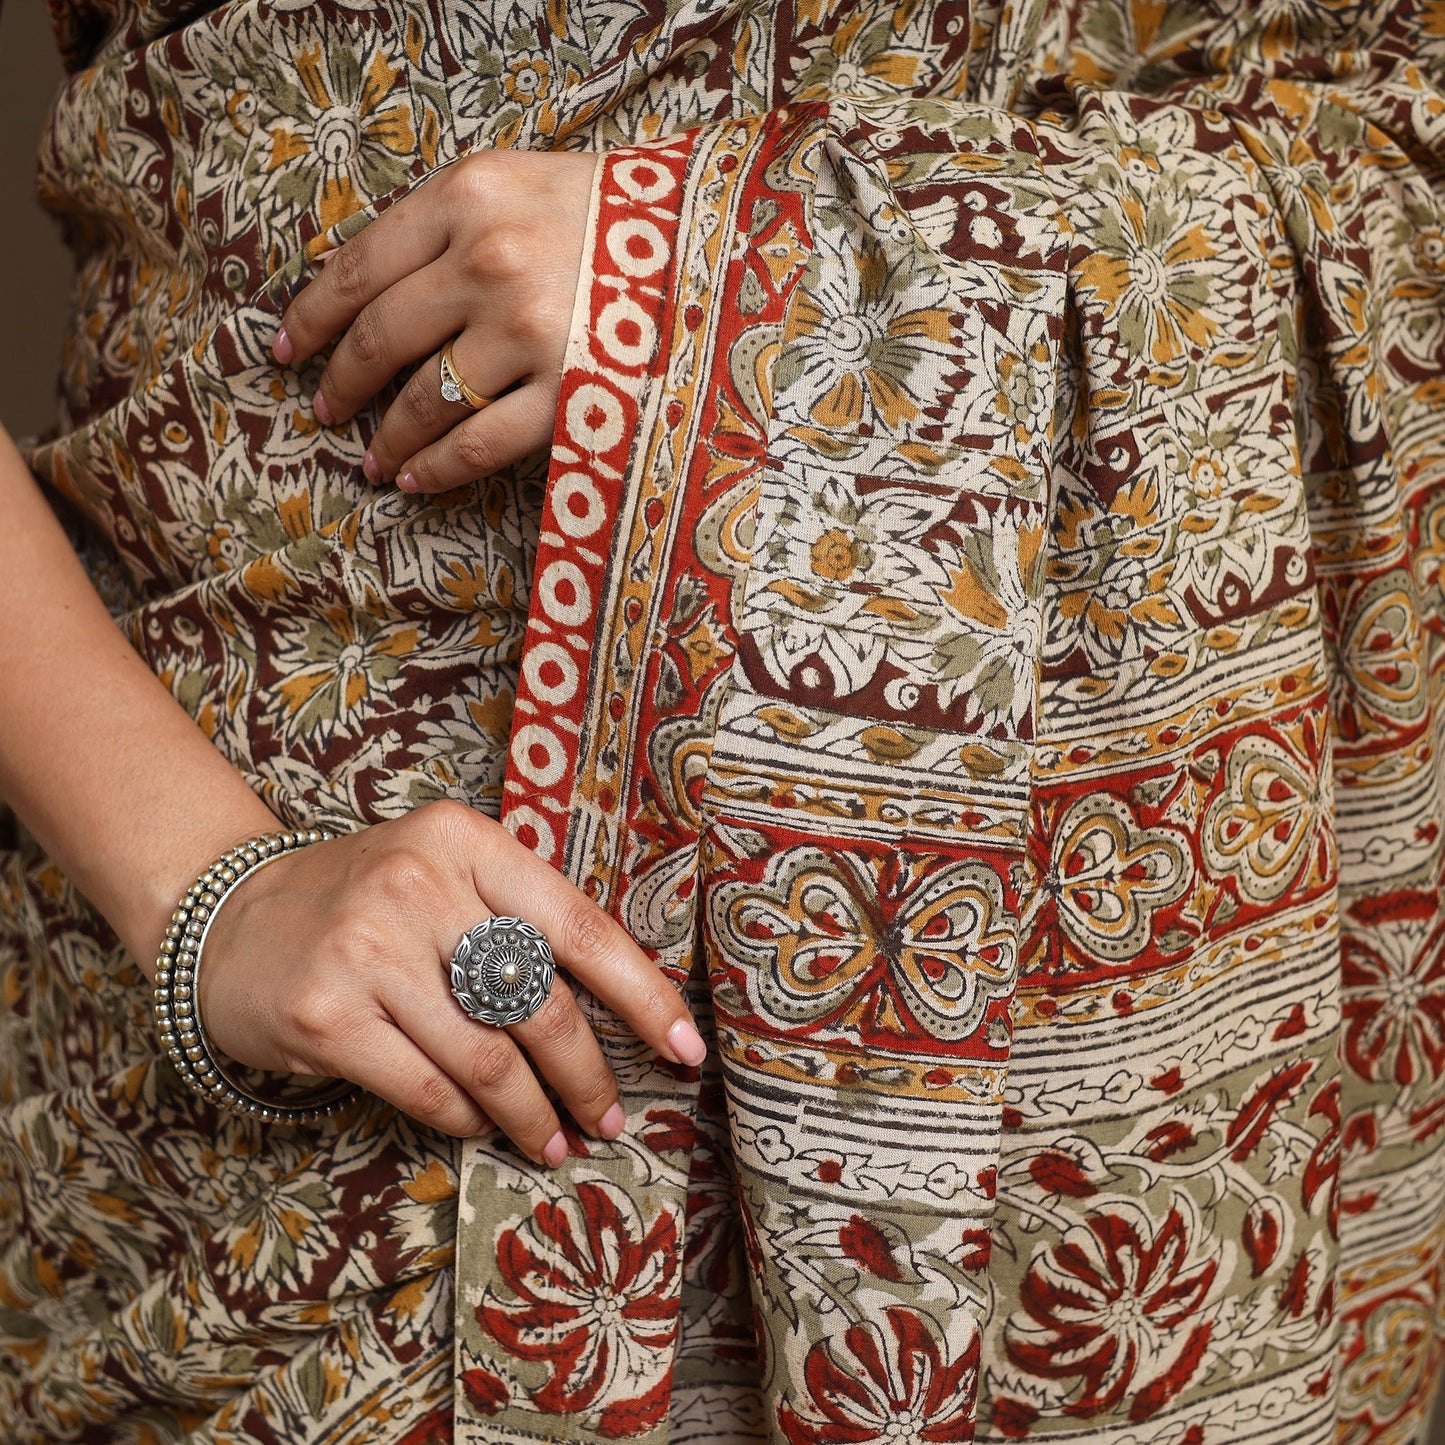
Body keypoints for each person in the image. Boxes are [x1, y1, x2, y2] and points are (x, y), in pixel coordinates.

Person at [3, 0, 1444, 1439]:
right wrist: (206, 884)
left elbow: (1400, 126)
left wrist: (746, 271)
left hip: (1075, 1009)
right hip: (363, 1034)